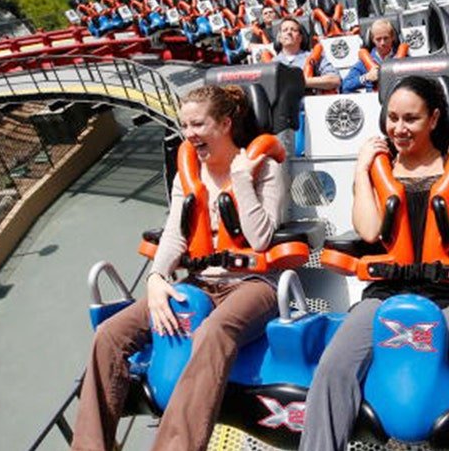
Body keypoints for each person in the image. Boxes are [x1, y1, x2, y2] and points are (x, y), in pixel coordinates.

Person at [299, 76, 449, 451]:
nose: (398, 129)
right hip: (386, 292)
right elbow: (370, 231)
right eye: (392, 118)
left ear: (434, 119)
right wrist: (360, 170)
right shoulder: (380, 169)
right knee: (332, 369)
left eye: (411, 119)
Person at [71, 85, 288, 451]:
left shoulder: (265, 169)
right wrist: (156, 278)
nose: (189, 134)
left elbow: (262, 237)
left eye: (198, 124)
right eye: (184, 125)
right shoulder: (187, 176)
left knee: (213, 333)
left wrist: (240, 181)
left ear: (224, 124)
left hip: (254, 283)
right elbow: (175, 235)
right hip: (200, 282)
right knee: (110, 334)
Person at [274, 17, 341, 92]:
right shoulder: (271, 63)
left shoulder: (315, 56)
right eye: (285, 30)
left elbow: (335, 79)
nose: (289, 32)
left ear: (300, 37)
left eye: (294, 30)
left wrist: (302, 82)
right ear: (279, 38)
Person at [341, 19, 397, 93]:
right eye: (378, 39)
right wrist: (366, 77)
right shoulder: (364, 62)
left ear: (392, 37)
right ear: (372, 40)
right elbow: (345, 86)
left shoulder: (404, 58)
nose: (382, 43)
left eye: (386, 38)